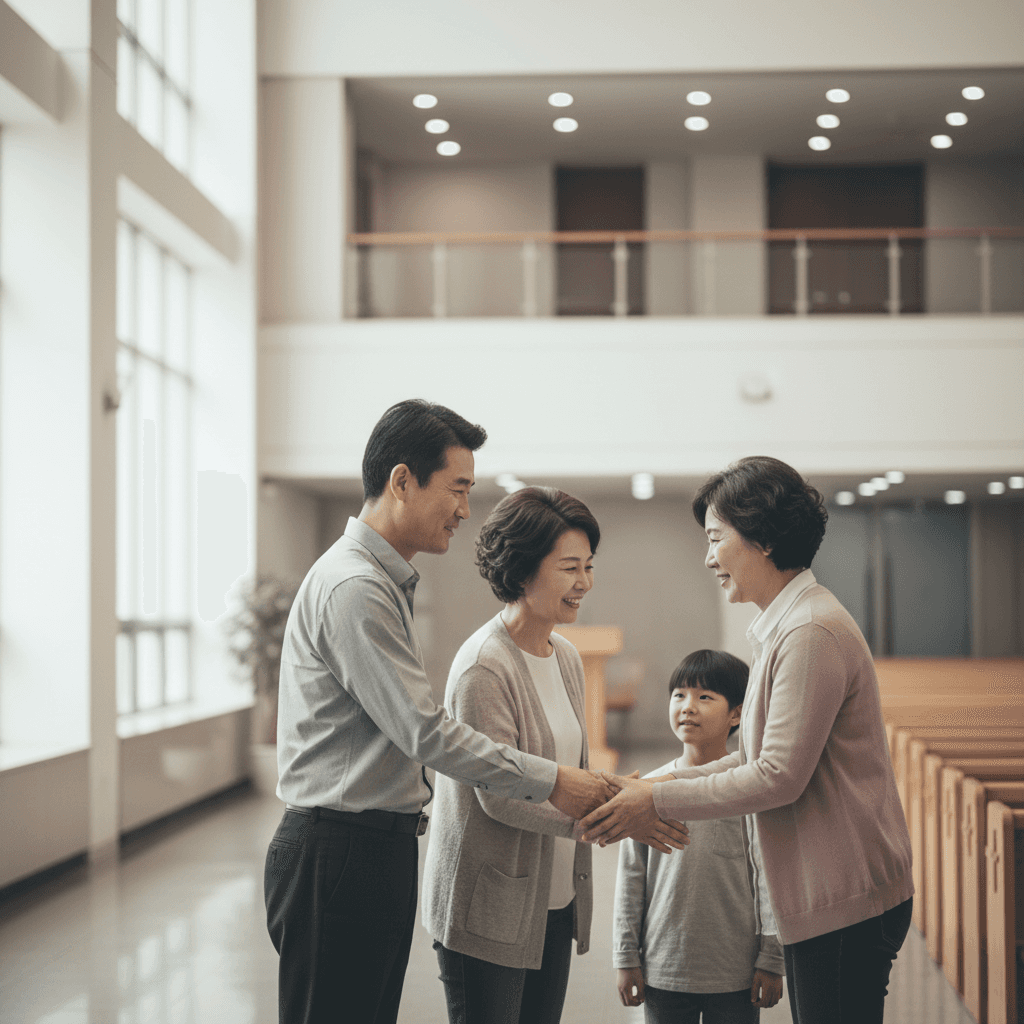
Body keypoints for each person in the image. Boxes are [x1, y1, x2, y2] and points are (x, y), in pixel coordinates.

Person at [264, 400, 618, 1024]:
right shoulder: (357, 589)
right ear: (402, 481)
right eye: (457, 489)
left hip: (372, 847)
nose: (464, 509)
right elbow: (423, 730)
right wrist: (558, 782)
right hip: (339, 851)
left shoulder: (382, 581)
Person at [582, 456, 913, 1024]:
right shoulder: (790, 623)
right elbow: (753, 759)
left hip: (842, 895)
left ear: (760, 537)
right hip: (830, 889)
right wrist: (658, 784)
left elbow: (776, 777)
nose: (709, 556)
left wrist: (656, 799)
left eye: (716, 538)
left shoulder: (809, 631)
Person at [423, 487, 689, 1024]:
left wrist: (618, 795)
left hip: (554, 899)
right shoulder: (484, 666)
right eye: (570, 567)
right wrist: (611, 819)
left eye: (589, 566)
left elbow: (573, 772)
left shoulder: (564, 654)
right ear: (522, 570)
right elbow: (499, 795)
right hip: (489, 907)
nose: (585, 583)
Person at [613, 649, 783, 1024]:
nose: (688, 706)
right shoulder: (648, 790)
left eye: (705, 697)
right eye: (679, 695)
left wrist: (772, 957)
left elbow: (770, 876)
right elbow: (631, 878)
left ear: (736, 714)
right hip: (664, 968)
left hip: (736, 971)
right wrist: (626, 957)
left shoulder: (752, 785)